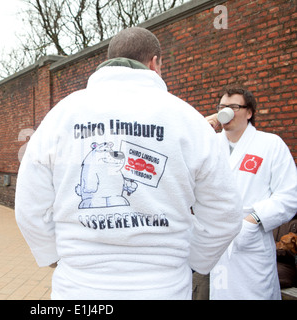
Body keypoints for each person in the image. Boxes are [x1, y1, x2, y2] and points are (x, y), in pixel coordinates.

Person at [15, 27, 243, 300]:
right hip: (163, 287)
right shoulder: (188, 119)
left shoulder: (60, 116)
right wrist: (193, 260)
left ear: (107, 60)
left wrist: (53, 254)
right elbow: (226, 212)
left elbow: (29, 205)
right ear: (155, 63)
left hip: (79, 287)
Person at [204, 86, 297, 300]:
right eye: (222, 107)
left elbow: (290, 194)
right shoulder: (209, 144)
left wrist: (253, 220)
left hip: (251, 240)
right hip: (218, 240)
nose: (226, 112)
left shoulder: (270, 144)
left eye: (234, 107)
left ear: (249, 112)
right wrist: (200, 132)